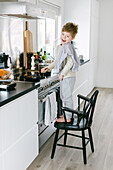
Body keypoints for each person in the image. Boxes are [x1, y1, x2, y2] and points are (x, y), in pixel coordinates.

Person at [41, 22, 80, 122]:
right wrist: (48, 68)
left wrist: (62, 73)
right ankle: (67, 114)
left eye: (67, 36)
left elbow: (70, 62)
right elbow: (57, 61)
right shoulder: (60, 47)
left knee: (67, 97)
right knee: (63, 96)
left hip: (68, 76)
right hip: (64, 76)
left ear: (72, 38)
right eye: (63, 34)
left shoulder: (68, 47)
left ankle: (68, 117)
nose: (64, 37)